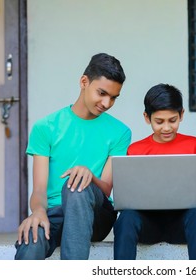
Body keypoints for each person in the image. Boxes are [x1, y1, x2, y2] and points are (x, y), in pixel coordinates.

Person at [14, 53, 131, 260]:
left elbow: (105, 188)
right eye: (102, 93)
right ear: (84, 82)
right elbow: (39, 189)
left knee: (76, 185)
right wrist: (38, 212)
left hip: (97, 216)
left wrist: (88, 175)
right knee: (32, 236)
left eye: (113, 97)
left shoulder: (120, 132)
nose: (106, 103)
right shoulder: (46, 128)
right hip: (57, 214)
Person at [113, 83, 196, 260]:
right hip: (148, 225)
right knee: (127, 217)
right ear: (146, 117)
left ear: (181, 114)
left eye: (172, 120)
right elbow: (127, 195)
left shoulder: (194, 145)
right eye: (159, 122)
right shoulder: (136, 150)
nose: (166, 128)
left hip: (182, 224)